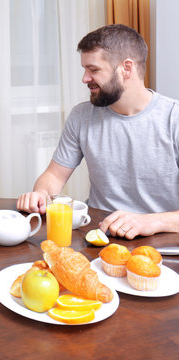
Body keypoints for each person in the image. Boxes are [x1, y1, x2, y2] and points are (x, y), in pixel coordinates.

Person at [17, 24, 179, 240]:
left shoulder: (174, 119)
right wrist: (40, 195)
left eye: (93, 70)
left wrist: (150, 221)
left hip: (159, 240)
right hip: (98, 234)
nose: (85, 78)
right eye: (84, 69)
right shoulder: (81, 116)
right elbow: (55, 175)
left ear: (126, 68)